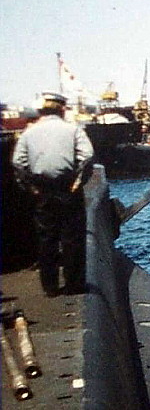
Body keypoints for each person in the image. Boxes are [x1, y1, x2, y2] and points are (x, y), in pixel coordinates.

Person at [12, 92, 94, 296]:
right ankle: (73, 285)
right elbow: (87, 156)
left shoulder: (28, 133)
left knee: (46, 238)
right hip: (68, 187)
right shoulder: (73, 129)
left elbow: (18, 162)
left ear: (41, 110)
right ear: (62, 109)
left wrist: (30, 187)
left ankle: (50, 288)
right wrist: (78, 182)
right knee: (72, 238)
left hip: (42, 188)